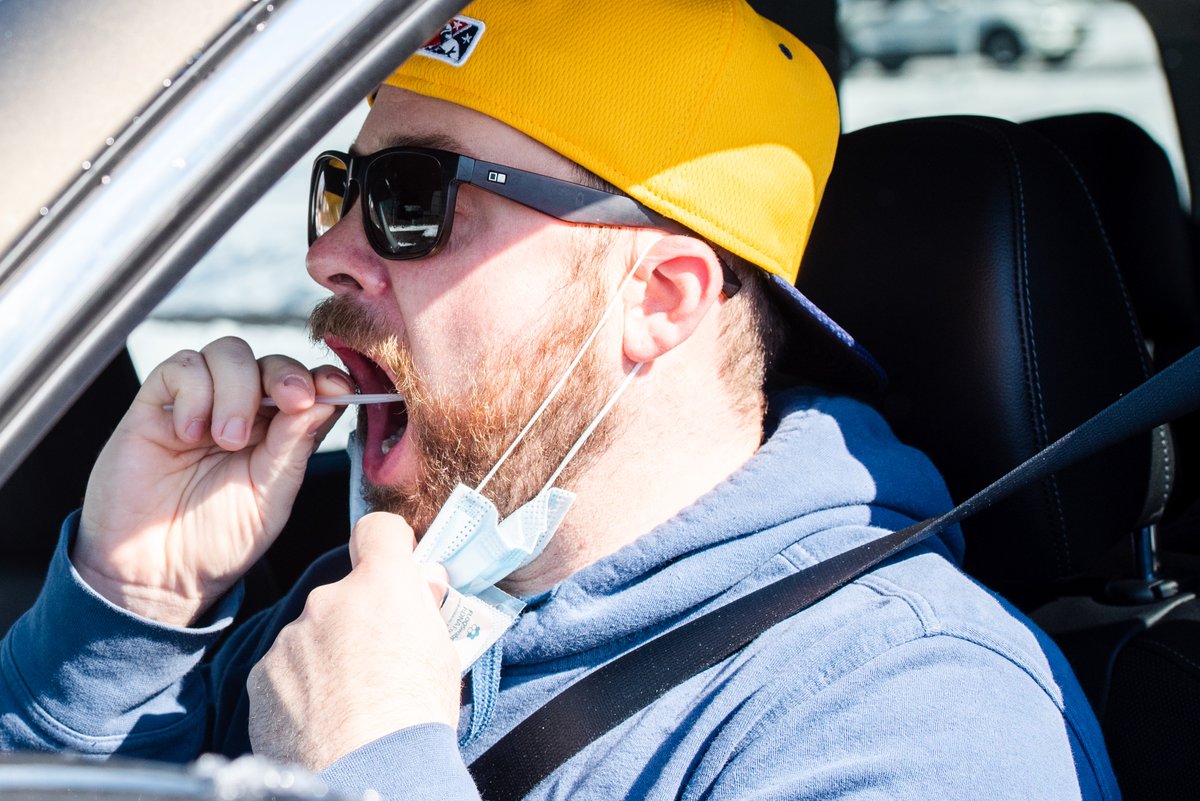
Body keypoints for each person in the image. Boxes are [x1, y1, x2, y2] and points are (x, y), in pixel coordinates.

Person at [0, 0, 1121, 798]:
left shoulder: (914, 717)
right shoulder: (347, 609)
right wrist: (126, 613)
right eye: (342, 187)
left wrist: (366, 776)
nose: (332, 255)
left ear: (661, 298)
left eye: (414, 195)